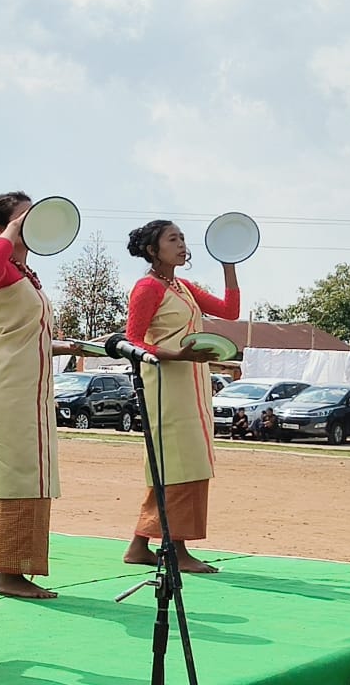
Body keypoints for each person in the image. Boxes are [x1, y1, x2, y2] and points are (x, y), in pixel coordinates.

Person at [0, 192, 80, 599]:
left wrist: (70, 347)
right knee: (20, 470)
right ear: (3, 228)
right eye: (24, 218)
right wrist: (10, 232)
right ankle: (12, 573)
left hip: (24, 382)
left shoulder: (22, 273)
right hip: (12, 386)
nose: (33, 223)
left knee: (10, 469)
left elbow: (24, 335)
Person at [122, 219, 239, 574]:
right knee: (177, 461)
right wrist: (176, 355)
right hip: (165, 383)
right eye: (172, 239)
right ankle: (176, 549)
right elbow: (133, 341)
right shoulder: (147, 288)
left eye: (182, 238)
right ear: (153, 250)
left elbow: (229, 311)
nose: (181, 243)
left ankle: (140, 543)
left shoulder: (183, 286)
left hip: (191, 381)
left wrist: (229, 263)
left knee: (188, 459)